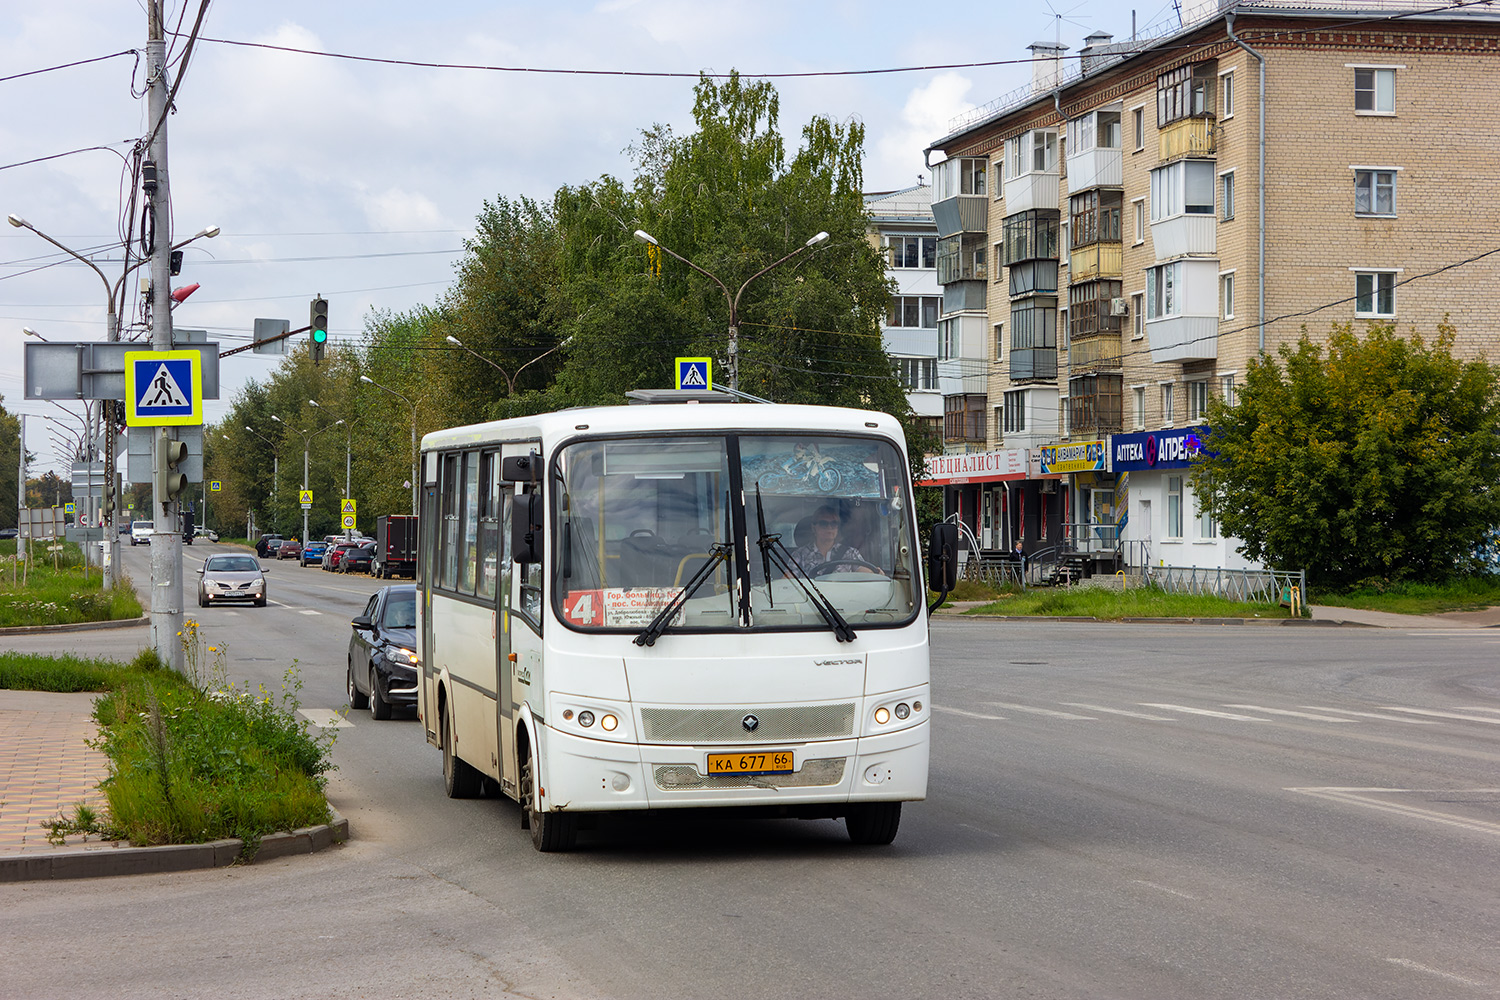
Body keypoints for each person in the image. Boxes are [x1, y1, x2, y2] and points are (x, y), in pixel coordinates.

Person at [790, 504, 874, 575]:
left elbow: (865, 575)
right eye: (824, 523)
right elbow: (787, 582)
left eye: (834, 523)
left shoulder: (850, 553)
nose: (829, 527)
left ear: (837, 527)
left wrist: (876, 575)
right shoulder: (799, 555)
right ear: (813, 528)